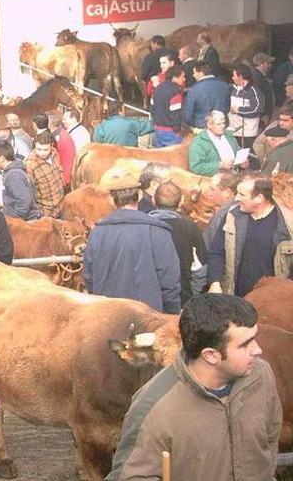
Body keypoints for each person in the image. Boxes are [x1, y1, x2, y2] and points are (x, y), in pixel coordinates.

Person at [106, 294, 281, 481]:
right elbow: (131, 476)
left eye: (254, 338)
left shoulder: (260, 375)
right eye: (245, 344)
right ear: (211, 355)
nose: (258, 350)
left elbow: (270, 436)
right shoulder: (153, 408)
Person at [83, 168, 180, 313]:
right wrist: (171, 313)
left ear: (111, 199)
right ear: (140, 195)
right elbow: (170, 280)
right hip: (148, 319)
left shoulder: (97, 233)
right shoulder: (158, 231)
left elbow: (89, 278)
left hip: (107, 317)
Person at [207, 173, 293, 297]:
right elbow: (216, 251)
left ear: (259, 197)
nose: (236, 198)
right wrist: (214, 283)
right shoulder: (231, 217)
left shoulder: (287, 224)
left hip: (270, 302)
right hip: (236, 299)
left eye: (242, 194)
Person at [148, 182, 207, 306]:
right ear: (180, 203)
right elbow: (200, 269)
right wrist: (192, 296)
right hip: (181, 301)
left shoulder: (142, 226)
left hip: (147, 302)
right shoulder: (190, 227)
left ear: (153, 200)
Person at [0, 138, 39, 220]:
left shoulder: (13, 176)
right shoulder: (12, 172)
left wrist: (13, 221)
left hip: (24, 224)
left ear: (1, 158)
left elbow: (24, 203)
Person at [189, 111, 242, 176]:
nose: (222, 126)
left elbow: (239, 153)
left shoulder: (229, 136)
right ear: (209, 125)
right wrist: (219, 165)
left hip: (237, 173)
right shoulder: (199, 143)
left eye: (223, 123)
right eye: (218, 124)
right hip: (218, 178)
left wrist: (243, 163)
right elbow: (196, 168)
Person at [25, 132, 64, 218]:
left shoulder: (54, 153)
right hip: (46, 212)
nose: (42, 153)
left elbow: (59, 172)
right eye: (39, 149)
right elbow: (30, 192)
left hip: (61, 206)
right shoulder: (30, 164)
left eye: (45, 150)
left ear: (51, 146)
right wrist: (39, 213)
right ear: (35, 145)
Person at [183, 62, 231, 130]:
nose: (193, 75)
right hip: (222, 126)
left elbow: (188, 115)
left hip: (202, 127)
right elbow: (227, 107)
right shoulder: (225, 86)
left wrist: (195, 125)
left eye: (194, 73)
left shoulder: (194, 90)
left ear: (201, 73)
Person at [228, 64, 265, 150]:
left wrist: (238, 110)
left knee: (248, 157)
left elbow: (256, 109)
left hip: (248, 132)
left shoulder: (254, 91)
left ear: (241, 76)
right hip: (232, 130)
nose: (232, 78)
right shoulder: (231, 89)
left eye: (234, 76)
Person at [150, 66, 186, 146]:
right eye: (182, 77)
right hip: (171, 133)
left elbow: (152, 109)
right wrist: (177, 129)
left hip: (157, 129)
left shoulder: (157, 90)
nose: (184, 79)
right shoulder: (175, 92)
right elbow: (175, 114)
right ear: (174, 78)